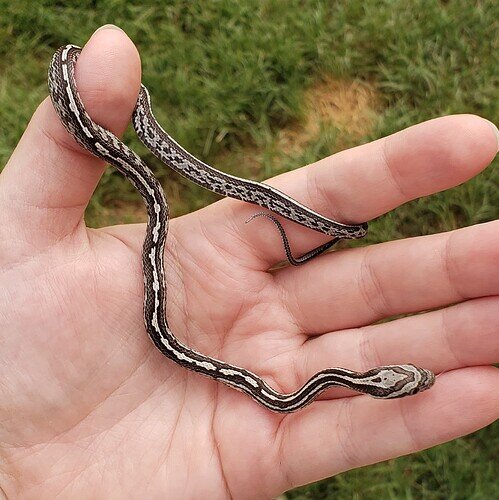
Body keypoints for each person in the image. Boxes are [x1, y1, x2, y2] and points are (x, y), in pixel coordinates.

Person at [0, 25, 497, 498]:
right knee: (153, 192)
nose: (414, 378)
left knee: (157, 197)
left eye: (407, 381)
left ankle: (156, 130)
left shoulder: (295, 396)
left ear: (385, 384)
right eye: (410, 378)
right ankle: (149, 125)